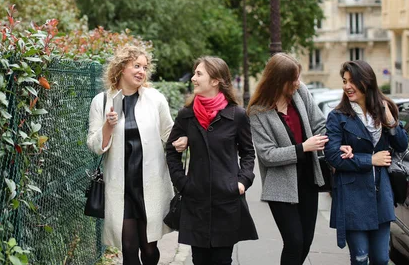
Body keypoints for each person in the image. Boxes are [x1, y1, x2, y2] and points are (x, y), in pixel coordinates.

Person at [248, 53, 352, 265]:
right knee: (294, 241)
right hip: (280, 187)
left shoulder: (300, 93)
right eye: (292, 79)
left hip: (308, 180)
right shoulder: (257, 112)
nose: (297, 83)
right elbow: (267, 155)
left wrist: (336, 144)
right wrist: (302, 148)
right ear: (278, 80)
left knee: (306, 241)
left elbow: (319, 124)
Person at [87, 45, 186, 265]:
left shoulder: (155, 99)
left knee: (150, 250)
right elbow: (94, 145)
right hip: (121, 188)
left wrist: (182, 141)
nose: (142, 71)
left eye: (145, 67)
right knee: (129, 249)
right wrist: (108, 127)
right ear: (122, 68)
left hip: (150, 185)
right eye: (136, 66)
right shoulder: (102, 102)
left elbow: (169, 132)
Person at [165, 56, 257, 265]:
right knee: (200, 261)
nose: (194, 79)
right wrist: (182, 183)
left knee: (222, 260)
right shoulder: (186, 116)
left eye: (199, 74)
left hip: (227, 201)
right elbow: (171, 151)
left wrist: (243, 182)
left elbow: (248, 154)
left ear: (215, 80)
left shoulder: (237, 115)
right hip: (196, 202)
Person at [324, 60, 409, 265]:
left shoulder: (385, 108)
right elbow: (333, 156)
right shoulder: (337, 117)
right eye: (344, 81)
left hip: (381, 194)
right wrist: (371, 159)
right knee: (360, 258)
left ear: (367, 81)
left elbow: (402, 145)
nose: (347, 86)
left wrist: (390, 121)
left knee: (381, 259)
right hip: (353, 196)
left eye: (352, 81)